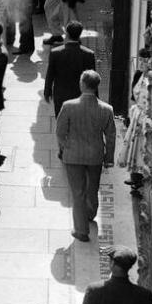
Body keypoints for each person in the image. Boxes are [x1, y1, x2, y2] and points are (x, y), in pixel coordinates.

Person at [55, 69, 116, 243]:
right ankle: (89, 214)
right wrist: (109, 157)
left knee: (78, 192)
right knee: (92, 188)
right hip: (95, 155)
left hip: (73, 155)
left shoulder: (68, 106)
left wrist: (65, 147)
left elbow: (60, 132)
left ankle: (81, 230)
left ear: (82, 84)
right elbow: (110, 136)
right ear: (96, 87)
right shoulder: (107, 109)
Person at [44, 21, 97, 114]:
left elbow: (50, 75)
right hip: (80, 96)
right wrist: (95, 97)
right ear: (80, 34)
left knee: (62, 122)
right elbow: (92, 79)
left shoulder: (55, 53)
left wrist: (47, 91)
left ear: (67, 34)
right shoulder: (89, 54)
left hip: (61, 96)